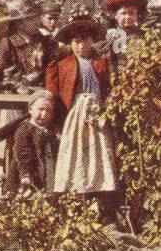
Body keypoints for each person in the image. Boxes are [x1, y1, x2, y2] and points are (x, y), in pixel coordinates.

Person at [45, 12, 117, 210]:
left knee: (97, 152)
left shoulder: (101, 63)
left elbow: (109, 87)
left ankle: (97, 199)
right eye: (76, 42)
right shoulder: (61, 65)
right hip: (75, 115)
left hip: (97, 114)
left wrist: (109, 100)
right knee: (75, 153)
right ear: (70, 44)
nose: (81, 46)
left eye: (85, 41)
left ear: (92, 41)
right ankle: (75, 200)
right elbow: (53, 93)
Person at [0, 0, 60, 92]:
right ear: (19, 23)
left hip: (40, 93)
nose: (37, 21)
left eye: (37, 17)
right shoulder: (8, 42)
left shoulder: (46, 40)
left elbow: (52, 68)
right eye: (32, 19)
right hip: (13, 93)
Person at [5, 90, 58, 195]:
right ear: (30, 109)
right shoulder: (25, 129)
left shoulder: (52, 130)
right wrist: (25, 174)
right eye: (41, 109)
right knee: (26, 197)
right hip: (28, 172)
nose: (44, 114)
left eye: (49, 111)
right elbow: (21, 151)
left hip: (47, 171)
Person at [102, 0, 148, 76]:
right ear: (115, 15)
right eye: (123, 13)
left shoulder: (145, 35)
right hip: (119, 80)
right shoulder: (112, 36)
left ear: (137, 15)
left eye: (132, 13)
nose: (128, 17)